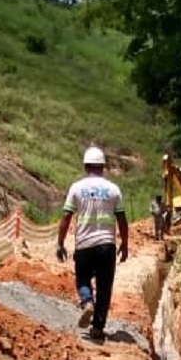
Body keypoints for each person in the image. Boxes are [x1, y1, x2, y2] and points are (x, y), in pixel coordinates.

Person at [56, 146, 129, 341]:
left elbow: (66, 217)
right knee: (105, 287)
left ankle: (87, 301)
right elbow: (121, 219)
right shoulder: (113, 189)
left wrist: (60, 243)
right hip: (107, 246)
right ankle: (97, 328)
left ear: (86, 165)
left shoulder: (77, 188)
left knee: (82, 279)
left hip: (84, 244)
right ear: (103, 166)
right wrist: (125, 243)